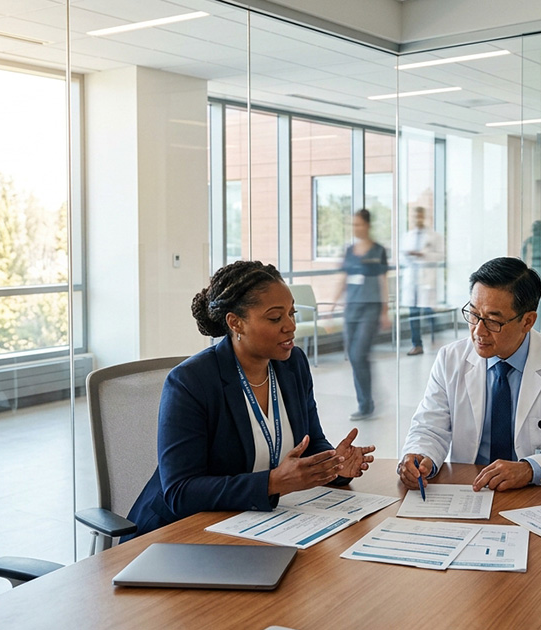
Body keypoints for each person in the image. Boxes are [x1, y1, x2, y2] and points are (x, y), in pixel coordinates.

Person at [123, 261, 376, 540]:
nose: (290, 326)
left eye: (291, 313)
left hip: (252, 525)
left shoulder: (293, 365)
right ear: (236, 323)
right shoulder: (191, 381)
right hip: (176, 534)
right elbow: (180, 492)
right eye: (275, 318)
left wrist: (335, 466)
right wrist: (272, 483)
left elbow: (311, 443)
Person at [399, 257, 541, 492]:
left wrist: (530, 469)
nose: (478, 331)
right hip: (469, 490)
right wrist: (420, 456)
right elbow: (429, 428)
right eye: (473, 314)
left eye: (493, 320)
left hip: (536, 494)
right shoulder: (450, 359)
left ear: (527, 321)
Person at [334, 209, 389, 420]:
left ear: (367, 225)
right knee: (355, 356)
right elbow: (343, 278)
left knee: (359, 354)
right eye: (353, 225)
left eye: (358, 224)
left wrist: (385, 311)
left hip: (370, 308)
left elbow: (383, 282)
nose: (355, 228)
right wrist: (333, 305)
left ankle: (366, 404)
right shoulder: (349, 250)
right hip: (351, 309)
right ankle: (367, 400)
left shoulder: (378, 250)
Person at [400, 206, 444, 356]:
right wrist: (410, 256)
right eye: (414, 216)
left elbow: (440, 255)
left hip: (426, 279)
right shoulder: (407, 236)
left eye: (419, 215)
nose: (417, 218)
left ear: (424, 217)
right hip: (411, 279)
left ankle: (437, 339)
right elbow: (402, 258)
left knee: (428, 311)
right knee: (413, 313)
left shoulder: (434, 236)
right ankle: (417, 345)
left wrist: (423, 255)